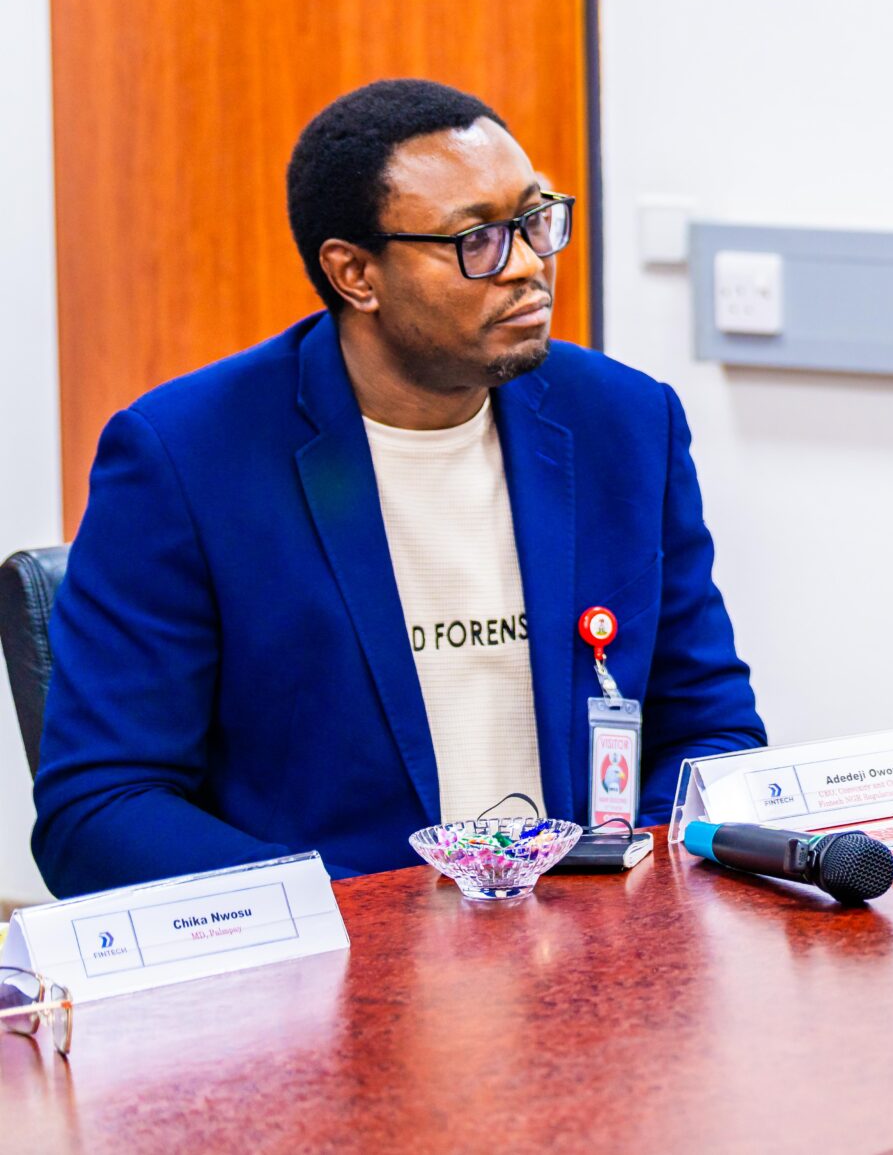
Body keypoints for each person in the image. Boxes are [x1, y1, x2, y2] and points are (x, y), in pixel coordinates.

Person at [34, 80, 765, 894]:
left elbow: (710, 728)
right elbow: (98, 811)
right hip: (336, 953)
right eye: (477, 240)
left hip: (588, 943)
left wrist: (621, 900)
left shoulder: (623, 423)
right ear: (355, 274)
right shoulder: (186, 458)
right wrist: (367, 923)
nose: (528, 264)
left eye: (534, 220)